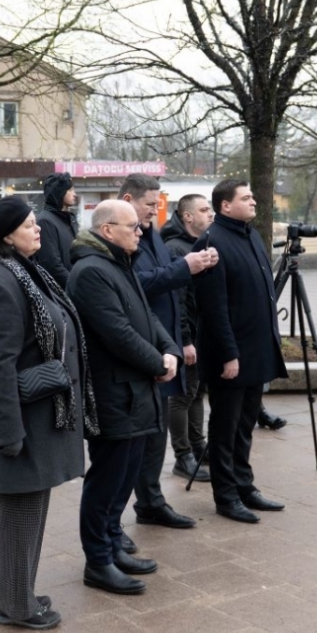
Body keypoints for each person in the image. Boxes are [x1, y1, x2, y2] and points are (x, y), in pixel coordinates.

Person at [0, 197, 94, 630]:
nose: (38, 229)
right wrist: (9, 433)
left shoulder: (24, 271)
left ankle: (4, 593)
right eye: (28, 224)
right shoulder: (0, 283)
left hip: (36, 415)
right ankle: (14, 606)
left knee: (27, 511)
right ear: (7, 234)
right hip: (21, 419)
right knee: (22, 514)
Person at [68, 199, 179, 595]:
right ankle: (98, 561)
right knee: (107, 481)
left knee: (124, 478)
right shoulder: (91, 271)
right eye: (132, 226)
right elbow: (116, 332)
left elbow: (147, 318)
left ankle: (113, 545)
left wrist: (170, 350)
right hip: (114, 393)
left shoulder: (119, 264)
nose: (141, 231)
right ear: (107, 229)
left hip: (136, 392)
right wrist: (158, 362)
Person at [118, 174, 218, 534]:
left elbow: (168, 283)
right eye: (149, 204)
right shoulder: (125, 241)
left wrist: (196, 268)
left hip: (164, 347)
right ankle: (124, 515)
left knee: (155, 433)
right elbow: (140, 285)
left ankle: (151, 502)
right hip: (145, 352)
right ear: (128, 199)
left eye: (157, 204)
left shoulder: (151, 235)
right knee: (138, 440)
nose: (153, 210)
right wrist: (185, 267)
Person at [193, 179, 290, 524]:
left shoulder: (249, 235)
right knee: (225, 428)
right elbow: (214, 307)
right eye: (246, 198)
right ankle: (226, 496)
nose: (254, 202)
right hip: (230, 356)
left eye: (252, 196)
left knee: (245, 425)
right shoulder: (213, 241)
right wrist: (228, 354)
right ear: (225, 206)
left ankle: (245, 486)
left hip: (255, 350)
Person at [161, 193, 213, 482]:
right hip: (187, 335)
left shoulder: (199, 243)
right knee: (182, 395)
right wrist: (185, 339)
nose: (210, 214)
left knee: (196, 392)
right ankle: (183, 456)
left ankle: (198, 446)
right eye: (204, 210)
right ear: (188, 216)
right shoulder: (175, 249)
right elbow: (177, 299)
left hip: (201, 332)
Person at [33, 173, 78, 287]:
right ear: (60, 192)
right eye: (70, 190)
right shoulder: (45, 221)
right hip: (61, 293)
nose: (75, 194)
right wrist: (75, 287)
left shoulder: (69, 219)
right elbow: (52, 265)